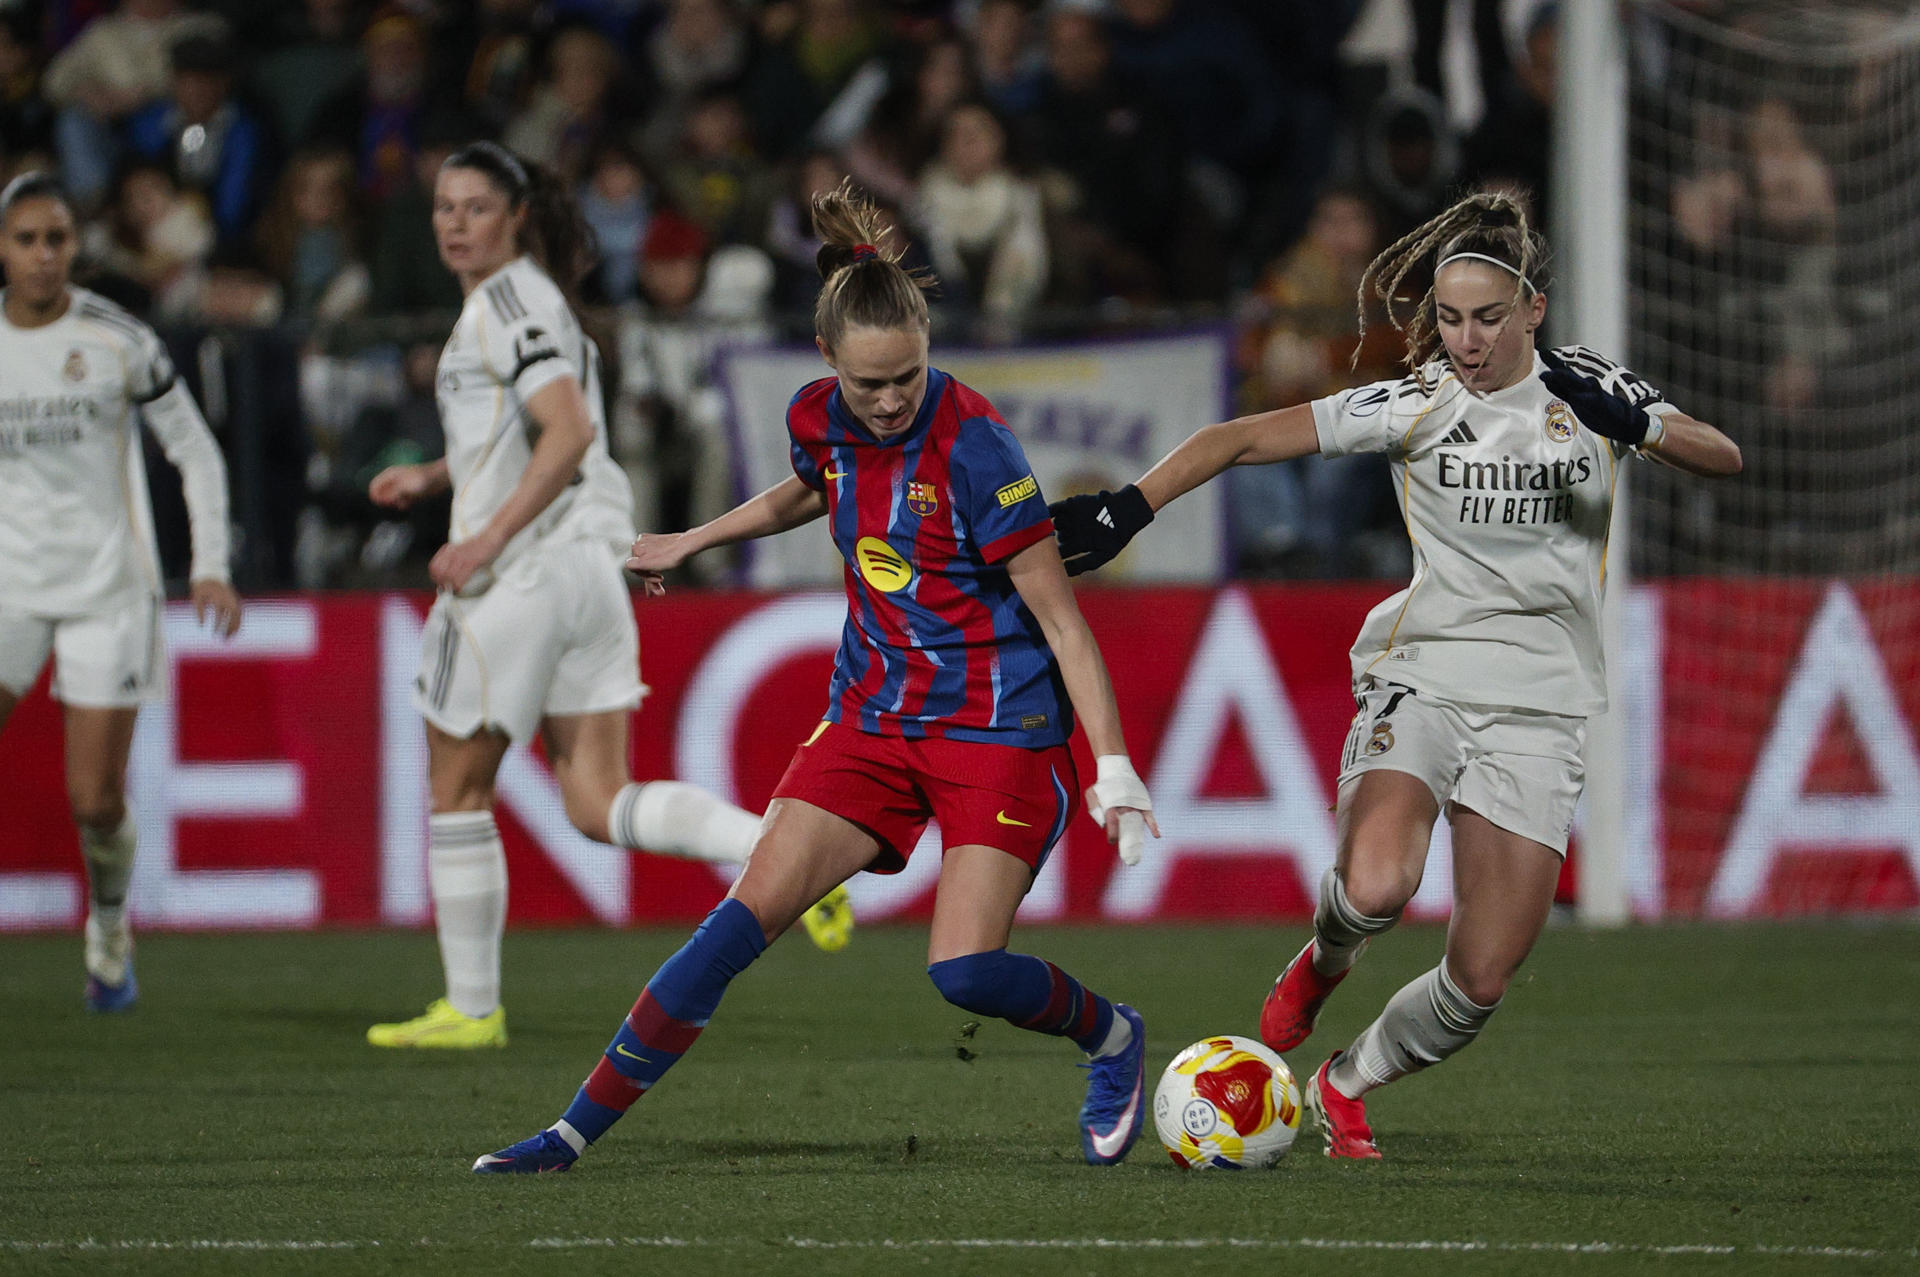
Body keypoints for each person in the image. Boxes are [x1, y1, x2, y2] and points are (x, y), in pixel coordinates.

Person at [471, 181, 1159, 1173]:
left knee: (965, 972)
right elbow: (811, 483)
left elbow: (1061, 618)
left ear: (928, 347)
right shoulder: (820, 417)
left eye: (907, 377)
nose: (889, 401)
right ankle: (569, 1134)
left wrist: (1114, 766)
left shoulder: (978, 448)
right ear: (828, 357)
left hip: (997, 729)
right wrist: (695, 538)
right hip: (871, 720)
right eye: (868, 383)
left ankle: (1112, 1033)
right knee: (731, 928)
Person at [1050, 190, 1742, 1159]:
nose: (1466, 339)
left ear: (1534, 309)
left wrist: (1642, 423)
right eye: (1450, 317)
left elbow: (1724, 453)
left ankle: (1347, 1078)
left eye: (1488, 318)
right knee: (1376, 885)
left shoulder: (1590, 386)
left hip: (1542, 703)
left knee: (1482, 978)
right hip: (1425, 673)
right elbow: (1239, 436)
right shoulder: (1417, 400)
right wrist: (1129, 505)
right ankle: (1328, 954)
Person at [362, 141, 852, 1052]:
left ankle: (471, 1007)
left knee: (457, 784)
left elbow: (569, 430)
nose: (456, 224)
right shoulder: (539, 305)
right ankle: (772, 850)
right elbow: (523, 436)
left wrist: (484, 538)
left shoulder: (508, 303)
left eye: (476, 207)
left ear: (516, 217)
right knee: (597, 798)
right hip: (590, 569)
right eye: (445, 207)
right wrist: (434, 475)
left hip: (524, 571)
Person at [0, 171, 242, 1012]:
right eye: (26, 239)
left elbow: (195, 448)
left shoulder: (117, 338)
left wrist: (210, 562)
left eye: (56, 238)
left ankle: (109, 928)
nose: (43, 254)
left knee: (95, 799)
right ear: (3, 250)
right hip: (9, 587)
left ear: (75, 245)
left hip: (108, 587)